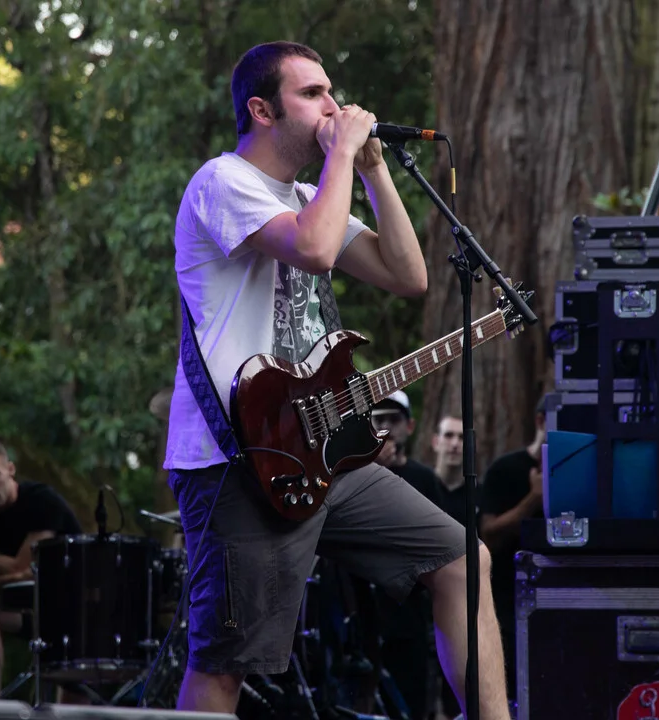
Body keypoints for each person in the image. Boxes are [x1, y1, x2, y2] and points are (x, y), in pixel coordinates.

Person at [162, 41, 509, 718]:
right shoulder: (222, 181)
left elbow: (408, 276)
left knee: (463, 560)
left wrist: (373, 170)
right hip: (240, 460)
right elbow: (314, 248)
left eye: (331, 90)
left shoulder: (309, 196)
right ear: (262, 110)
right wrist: (343, 155)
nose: (333, 104)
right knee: (226, 667)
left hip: (322, 453)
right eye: (312, 93)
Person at [0, 438, 83, 699]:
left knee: (74, 701)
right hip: (29, 608)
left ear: (10, 470)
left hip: (74, 610)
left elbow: (19, 564)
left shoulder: (42, 500)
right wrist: (18, 576)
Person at [370, 389, 441, 719]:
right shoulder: (355, 475)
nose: (385, 428)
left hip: (409, 611)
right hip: (367, 611)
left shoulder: (424, 478)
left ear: (409, 426)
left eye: (393, 420)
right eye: (378, 420)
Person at [479, 396, 547, 705]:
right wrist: (533, 500)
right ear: (540, 421)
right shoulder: (506, 469)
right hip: (507, 605)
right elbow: (488, 535)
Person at [430, 415, 466, 526]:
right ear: (436, 442)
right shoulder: (419, 488)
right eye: (448, 435)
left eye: (462, 437)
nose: (455, 444)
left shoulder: (478, 496)